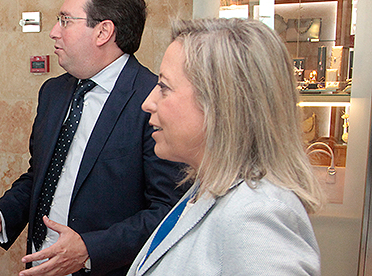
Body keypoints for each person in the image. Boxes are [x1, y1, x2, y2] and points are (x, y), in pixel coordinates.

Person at [0, 0, 185, 276]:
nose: (53, 32)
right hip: (40, 263)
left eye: (65, 20)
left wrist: (90, 250)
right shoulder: (53, 92)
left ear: (103, 31)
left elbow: (169, 210)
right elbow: (41, 176)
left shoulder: (152, 100)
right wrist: (2, 215)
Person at [127, 18, 323, 275]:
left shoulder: (256, 215)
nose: (148, 103)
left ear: (219, 105)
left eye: (164, 87)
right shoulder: (207, 186)